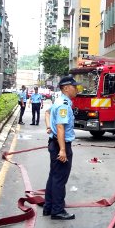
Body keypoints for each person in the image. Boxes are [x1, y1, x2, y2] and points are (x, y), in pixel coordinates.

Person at [43, 75, 80, 220]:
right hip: (60, 144)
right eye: (74, 86)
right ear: (66, 88)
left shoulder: (59, 101)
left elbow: (47, 112)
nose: (76, 89)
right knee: (59, 178)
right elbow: (60, 127)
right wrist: (63, 150)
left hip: (55, 143)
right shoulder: (64, 104)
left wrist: (48, 126)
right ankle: (57, 210)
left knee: (53, 176)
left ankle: (49, 206)